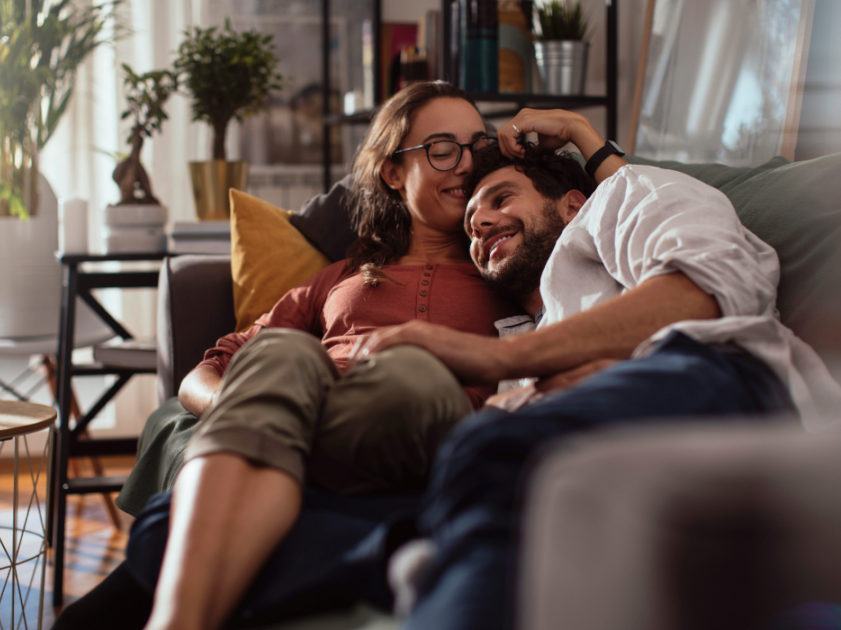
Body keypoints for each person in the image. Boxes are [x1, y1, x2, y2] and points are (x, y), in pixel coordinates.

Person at [55, 81, 524, 630]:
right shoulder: (340, 278)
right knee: (282, 351)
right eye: (443, 149)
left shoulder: (511, 267)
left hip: (419, 411)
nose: (467, 164)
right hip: (307, 413)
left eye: (479, 146)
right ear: (394, 172)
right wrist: (251, 408)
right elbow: (210, 370)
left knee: (412, 372)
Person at [351, 109, 841, 629]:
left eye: (501, 199)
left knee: (492, 451)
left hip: (718, 372)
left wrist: (500, 360)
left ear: (571, 204)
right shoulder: (526, 327)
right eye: (471, 225)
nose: (483, 225)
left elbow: (705, 289)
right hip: (613, 437)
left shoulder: (623, 196)